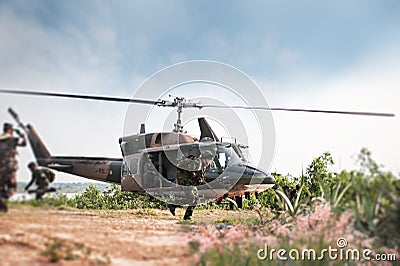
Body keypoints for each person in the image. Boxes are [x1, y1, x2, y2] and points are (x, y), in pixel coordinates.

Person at [168, 150, 214, 220]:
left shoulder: (203, 166)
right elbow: (185, 170)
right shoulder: (196, 163)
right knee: (193, 198)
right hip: (184, 180)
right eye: (209, 159)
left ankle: (183, 213)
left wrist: (199, 179)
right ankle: (176, 208)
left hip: (190, 182)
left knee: (195, 200)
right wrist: (194, 176)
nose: (209, 161)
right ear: (205, 158)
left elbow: (198, 176)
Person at [0, 122, 27, 212]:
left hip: (0, 168)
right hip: (10, 167)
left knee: (1, 186)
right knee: (12, 186)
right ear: (10, 130)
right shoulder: (13, 140)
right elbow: (24, 143)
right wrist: (21, 135)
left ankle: (2, 205)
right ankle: (4, 199)